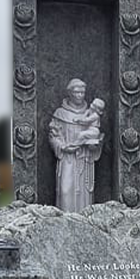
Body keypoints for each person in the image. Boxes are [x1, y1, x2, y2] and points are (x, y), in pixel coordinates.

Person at [48, 79, 103, 212]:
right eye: (77, 92)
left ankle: (83, 225)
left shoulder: (91, 112)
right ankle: (66, 224)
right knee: (66, 190)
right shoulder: (61, 113)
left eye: (82, 92)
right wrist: (63, 147)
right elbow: (53, 136)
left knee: (84, 194)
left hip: (85, 159)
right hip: (67, 158)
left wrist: (94, 146)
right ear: (70, 93)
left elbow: (95, 133)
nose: (80, 95)